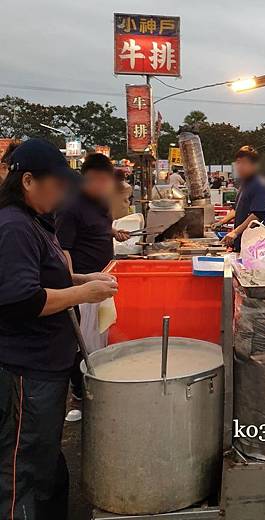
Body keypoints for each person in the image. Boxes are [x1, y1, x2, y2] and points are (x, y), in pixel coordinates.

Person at [0, 139, 118, 520]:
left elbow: (47, 273)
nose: (63, 191)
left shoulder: (35, 221)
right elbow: (22, 301)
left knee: (46, 465)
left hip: (46, 369)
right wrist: (82, 292)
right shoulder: (14, 226)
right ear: (28, 180)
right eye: (56, 182)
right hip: (26, 373)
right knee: (23, 471)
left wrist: (83, 277)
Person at [56, 153, 130, 402]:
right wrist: (73, 282)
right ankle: (79, 390)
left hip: (103, 279)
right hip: (83, 284)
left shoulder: (100, 203)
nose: (100, 185)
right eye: (95, 180)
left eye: (104, 180)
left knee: (100, 337)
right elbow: (63, 248)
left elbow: (97, 227)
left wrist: (114, 231)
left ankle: (97, 383)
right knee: (82, 342)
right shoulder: (71, 206)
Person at [216, 146, 265, 251]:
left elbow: (257, 215)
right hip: (240, 242)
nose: (239, 166)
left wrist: (235, 232)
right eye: (238, 162)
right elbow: (236, 209)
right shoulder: (244, 183)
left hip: (253, 245)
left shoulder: (259, 184)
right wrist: (220, 222)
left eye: (244, 163)